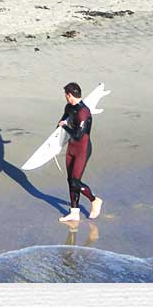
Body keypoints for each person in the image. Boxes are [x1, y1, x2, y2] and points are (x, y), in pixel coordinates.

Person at [57, 82, 103, 221]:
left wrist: (64, 127)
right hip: (71, 148)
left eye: (66, 95)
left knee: (76, 182)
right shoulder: (68, 107)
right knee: (70, 180)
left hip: (82, 149)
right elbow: (63, 119)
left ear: (70, 95)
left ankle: (94, 200)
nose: (65, 97)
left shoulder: (84, 112)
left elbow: (77, 135)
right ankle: (74, 213)